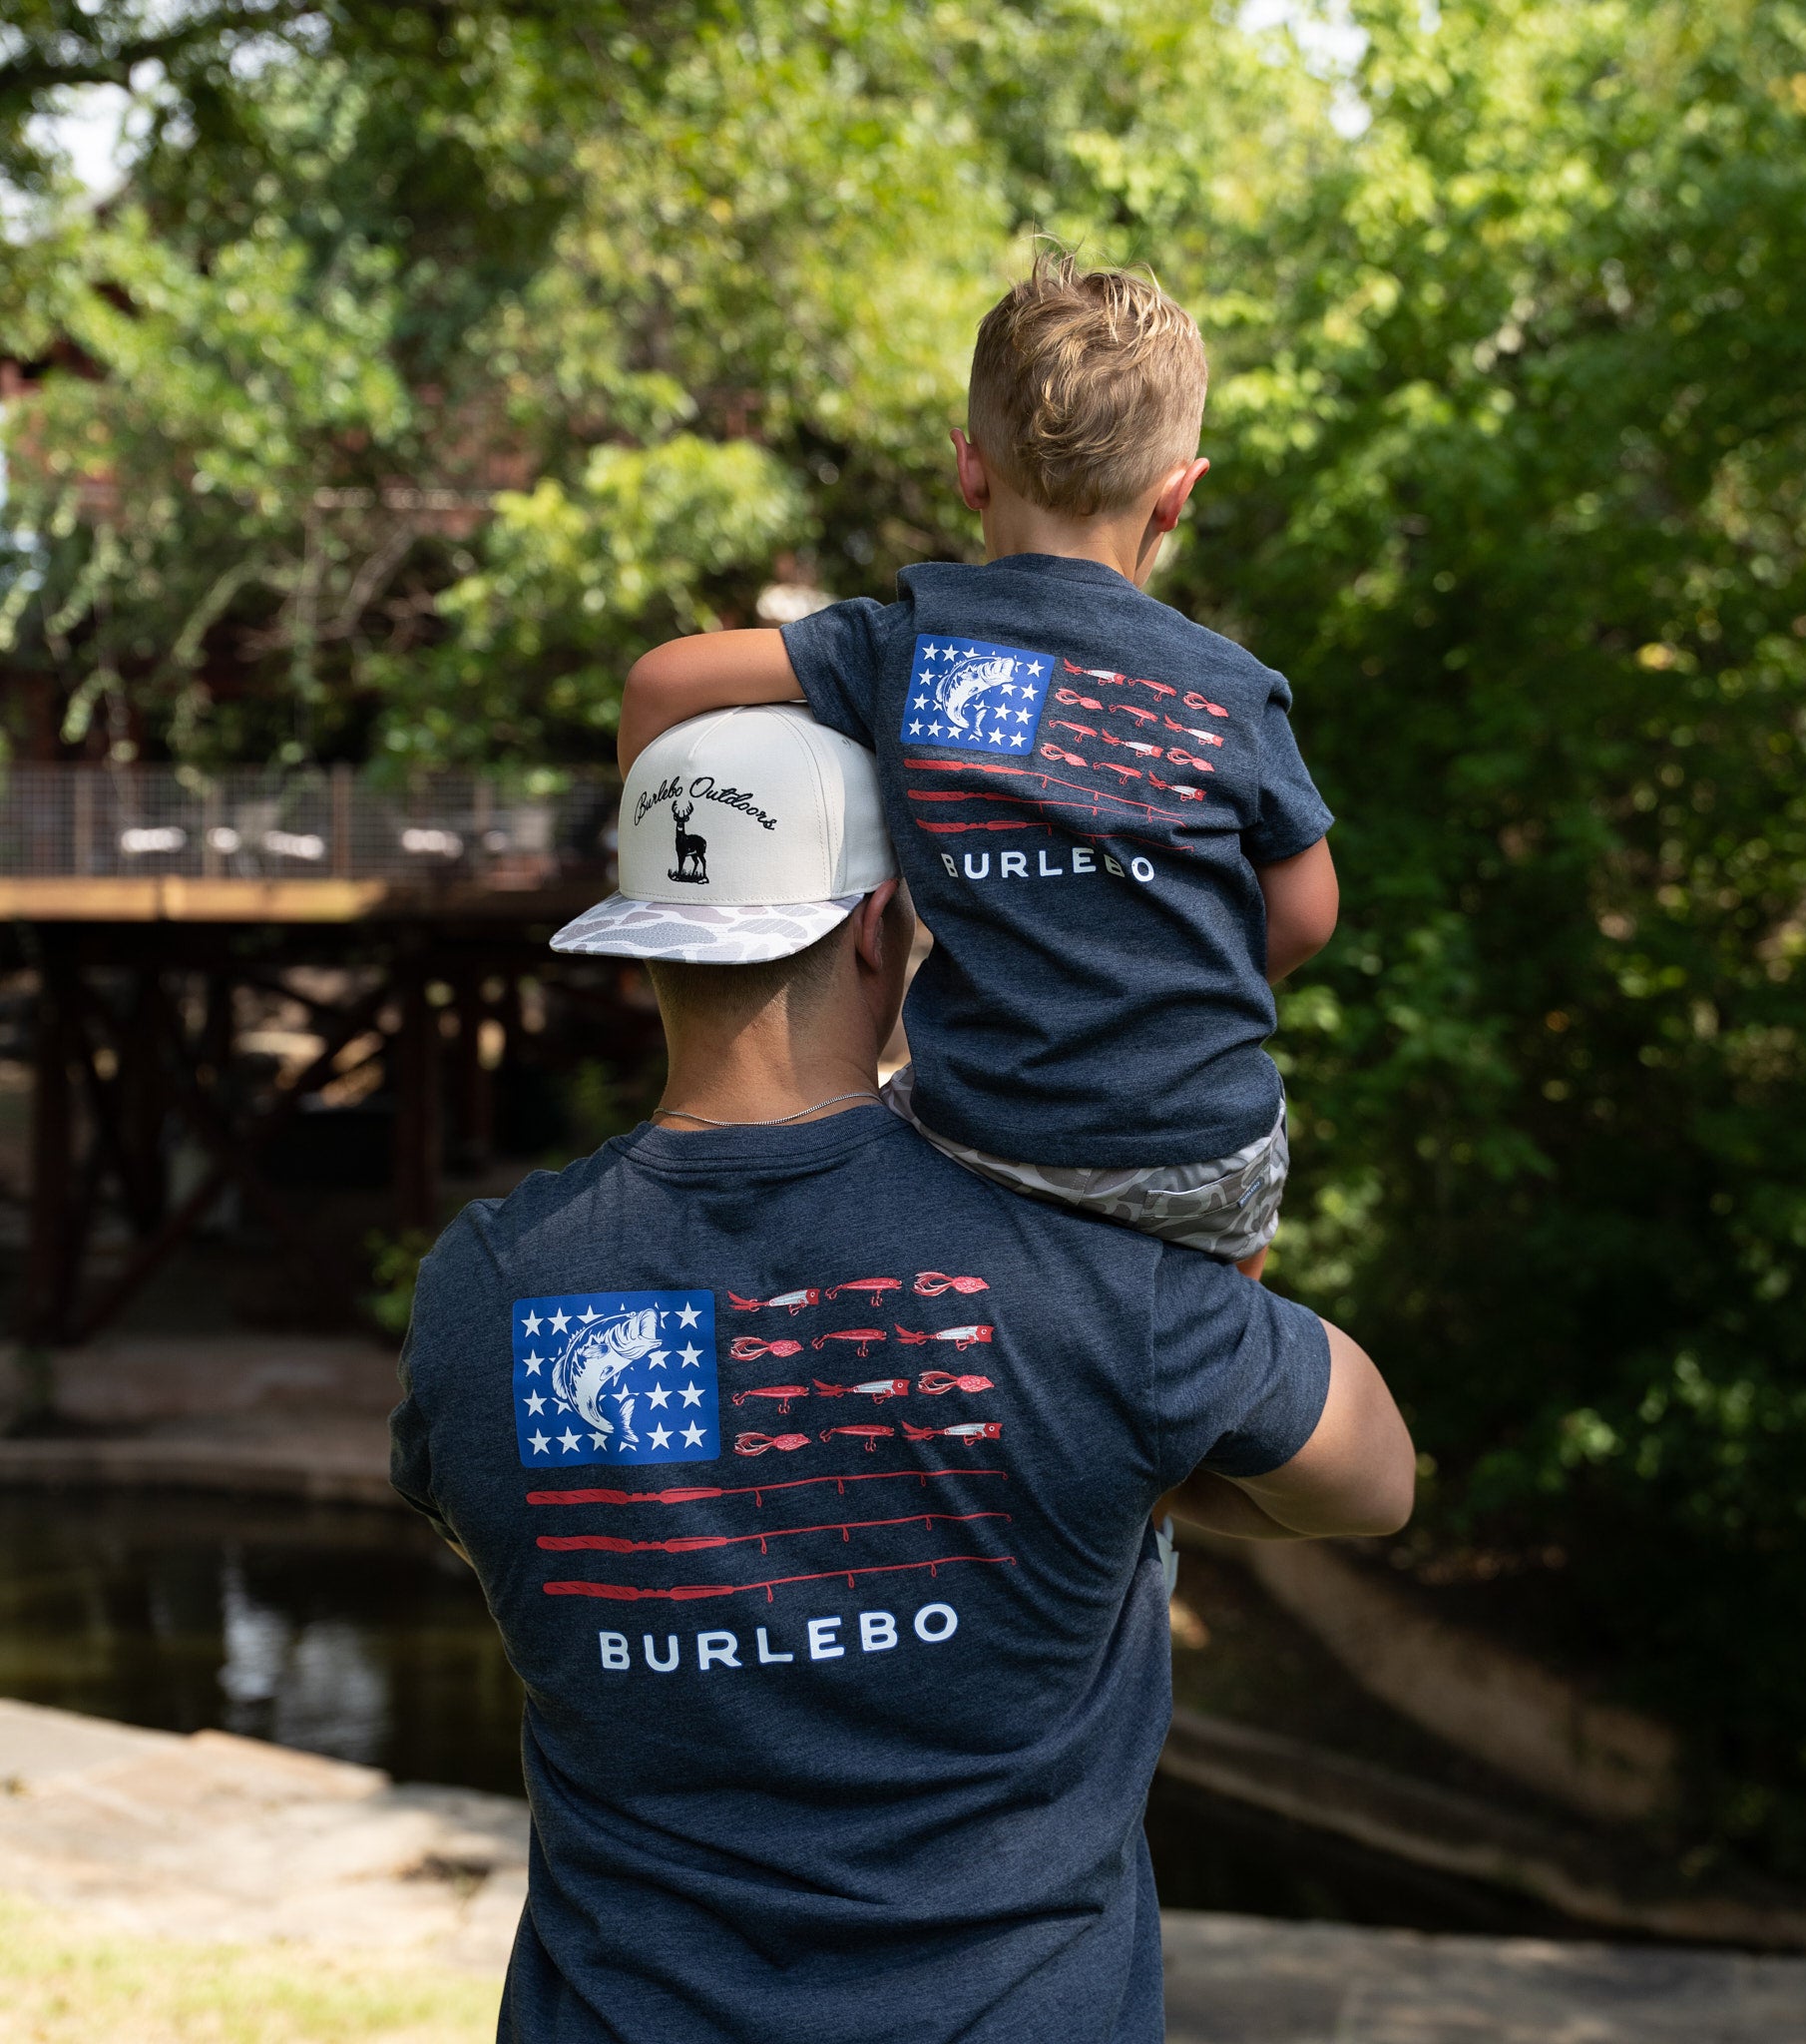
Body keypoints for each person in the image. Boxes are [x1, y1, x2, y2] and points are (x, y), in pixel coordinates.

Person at [390, 707, 1413, 2044]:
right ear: (883, 925)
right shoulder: (1077, 1274)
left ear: (648, 944)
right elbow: (1371, 1479)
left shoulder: (487, 1287)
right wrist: (1128, 1479)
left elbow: (510, 1513)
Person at [618, 253, 1339, 1278]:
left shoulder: (909, 645)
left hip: (984, 1140)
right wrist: (1167, 976)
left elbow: (659, 682)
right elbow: (1308, 913)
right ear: (1178, 495)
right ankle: (1222, 1327)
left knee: (877, 1120)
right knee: (1234, 1229)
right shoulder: (1229, 686)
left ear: (969, 468)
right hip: (1200, 1149)